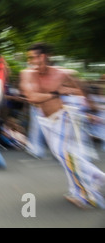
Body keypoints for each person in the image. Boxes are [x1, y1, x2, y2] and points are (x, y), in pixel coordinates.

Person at [20, 42, 105, 209]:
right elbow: (32, 97)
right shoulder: (27, 74)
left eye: (33, 57)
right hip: (45, 120)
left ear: (43, 57)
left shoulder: (63, 74)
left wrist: (88, 111)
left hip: (66, 117)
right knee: (64, 156)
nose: (30, 61)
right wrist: (57, 93)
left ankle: (87, 196)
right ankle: (96, 179)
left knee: (65, 153)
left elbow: (80, 90)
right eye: (29, 58)